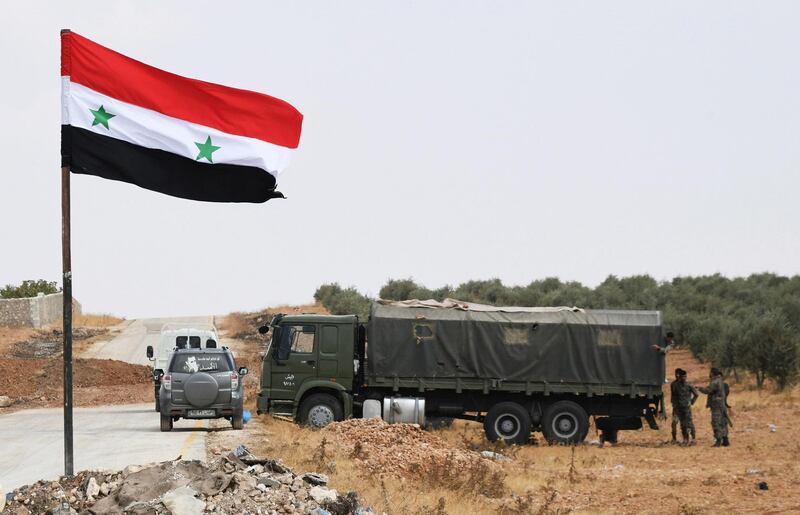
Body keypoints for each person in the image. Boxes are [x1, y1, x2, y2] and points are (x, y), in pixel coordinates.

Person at [698, 367, 730, 447]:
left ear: (712, 373)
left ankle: (718, 441)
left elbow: (708, 390)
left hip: (716, 405)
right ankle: (725, 440)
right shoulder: (721, 381)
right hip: (722, 404)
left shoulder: (715, 382)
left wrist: (700, 388)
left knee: (715, 422)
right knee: (723, 422)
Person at [670, 368, 699, 444]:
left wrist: (691, 402)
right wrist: (674, 405)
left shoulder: (689, 385)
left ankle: (693, 438)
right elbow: (674, 396)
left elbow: (696, 394)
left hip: (687, 408)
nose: (684, 378)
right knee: (682, 424)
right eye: (682, 376)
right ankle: (685, 439)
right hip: (678, 408)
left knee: (689, 423)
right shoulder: (675, 385)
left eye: (685, 376)